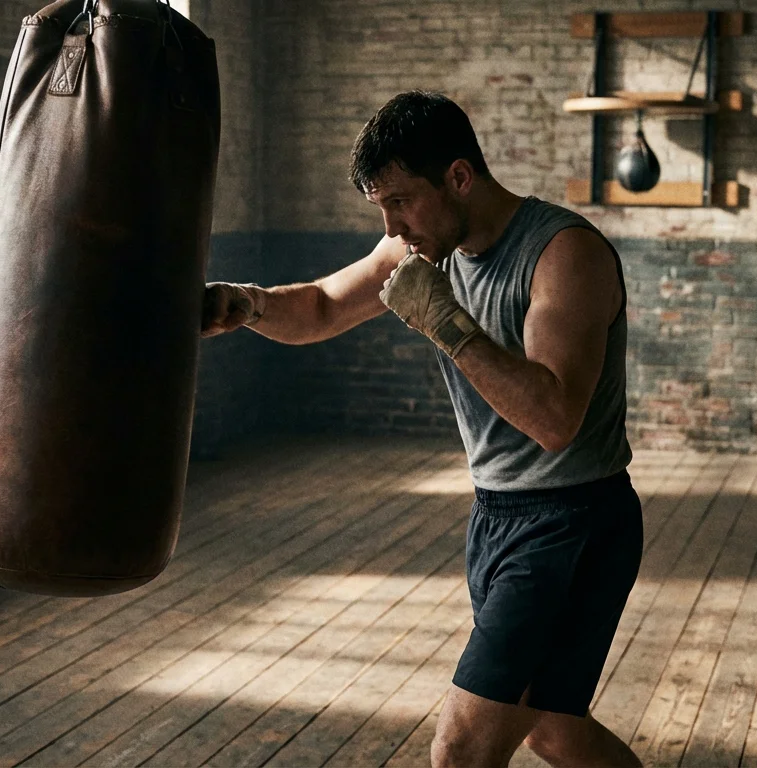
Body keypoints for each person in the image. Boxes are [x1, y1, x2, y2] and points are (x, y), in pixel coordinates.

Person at [200, 90, 644, 768]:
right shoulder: (422, 244)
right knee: (553, 728)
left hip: (572, 522)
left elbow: (555, 420)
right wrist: (249, 305)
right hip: (498, 514)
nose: (392, 225)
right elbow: (320, 307)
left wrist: (446, 324)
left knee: (460, 753)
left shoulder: (563, 255)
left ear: (459, 178)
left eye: (402, 201)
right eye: (381, 207)